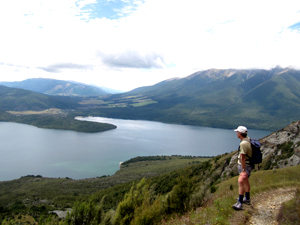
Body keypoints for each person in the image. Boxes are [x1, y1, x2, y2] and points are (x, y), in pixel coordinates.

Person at [232, 126, 252, 210]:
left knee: (241, 181)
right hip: (249, 164)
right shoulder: (248, 139)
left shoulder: (243, 144)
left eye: (237, 132)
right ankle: (247, 198)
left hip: (245, 165)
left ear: (240, 133)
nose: (236, 133)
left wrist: (243, 170)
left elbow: (242, 158)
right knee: (246, 181)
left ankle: (240, 203)